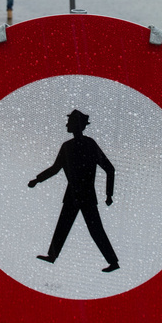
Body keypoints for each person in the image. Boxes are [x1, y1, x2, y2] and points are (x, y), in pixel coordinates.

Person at [27, 109, 119, 273]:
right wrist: (37, 179)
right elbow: (55, 168)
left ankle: (113, 262)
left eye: (69, 123)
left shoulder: (89, 144)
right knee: (63, 226)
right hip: (73, 195)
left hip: (86, 196)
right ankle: (52, 256)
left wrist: (109, 194)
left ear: (78, 125)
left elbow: (109, 169)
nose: (67, 125)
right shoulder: (67, 146)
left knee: (95, 230)